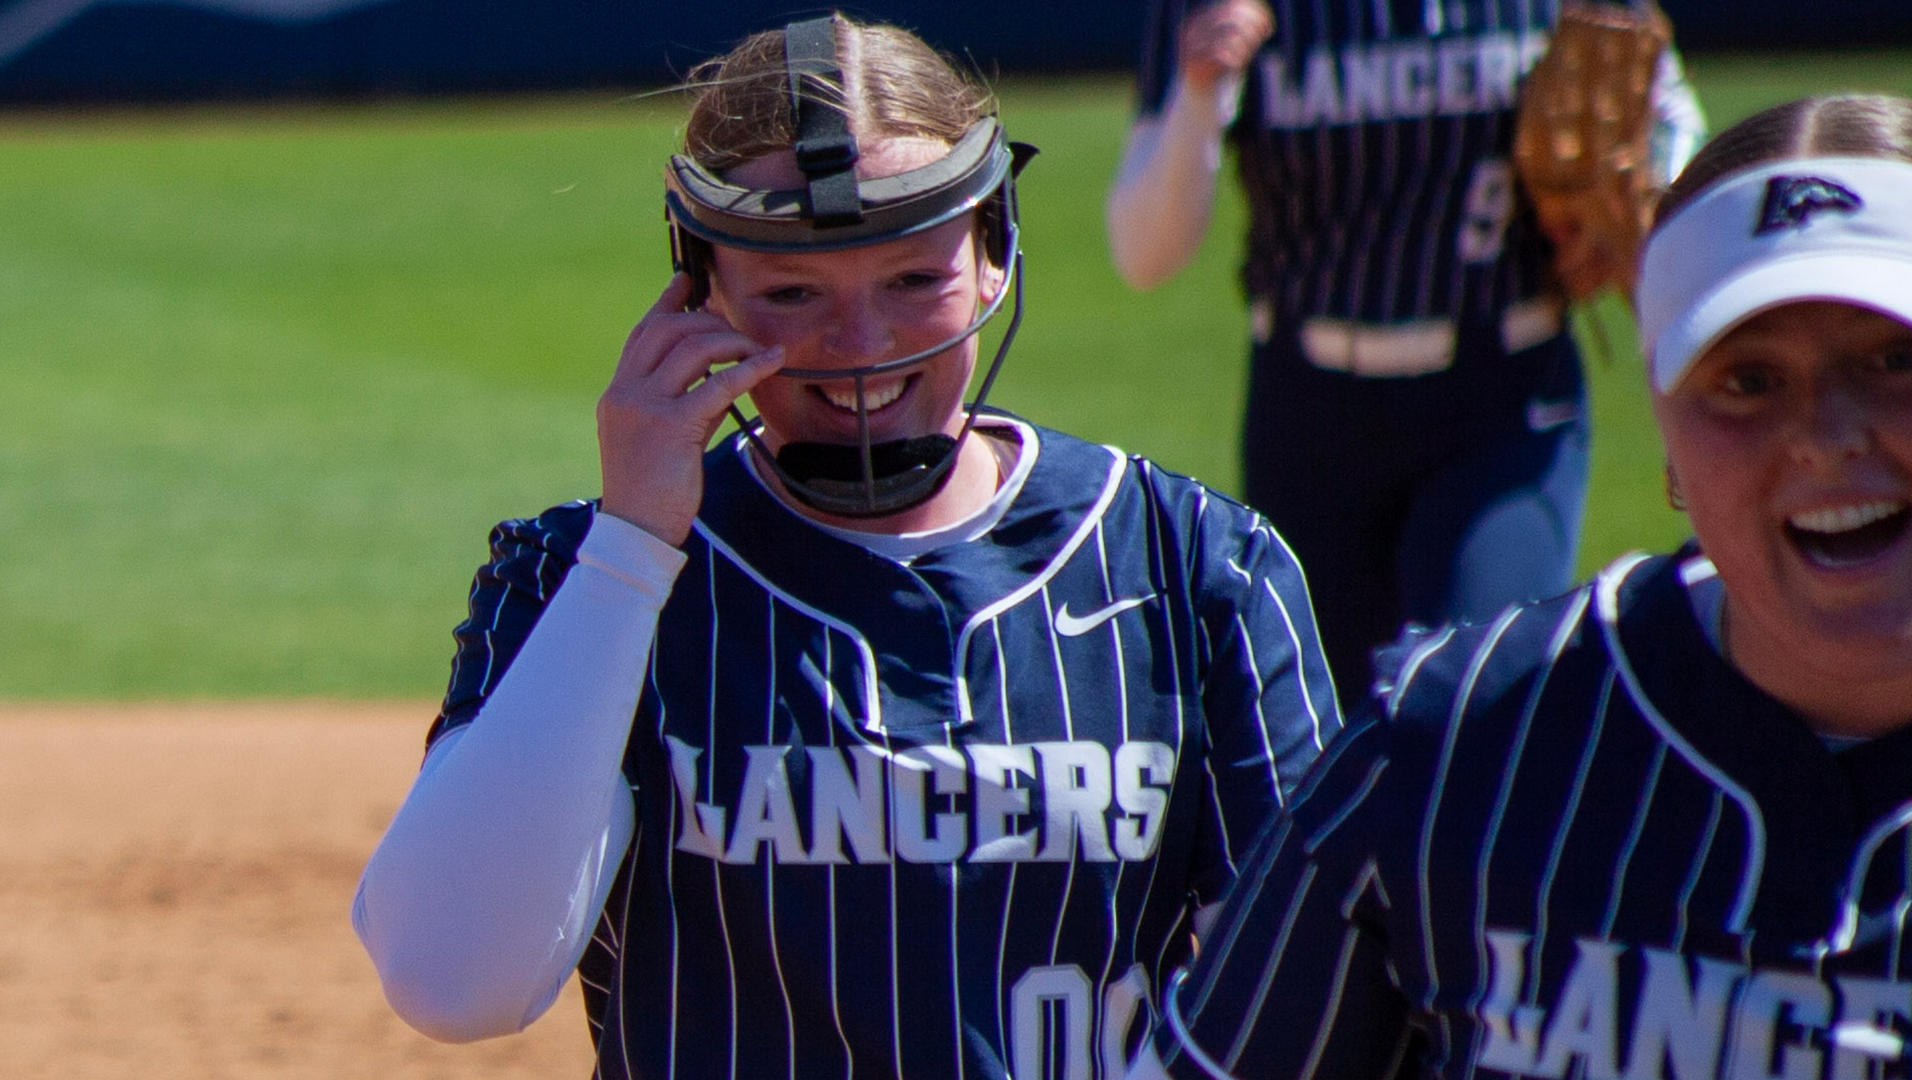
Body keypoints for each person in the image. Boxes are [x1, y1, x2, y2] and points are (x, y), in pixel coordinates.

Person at [352, 14, 1341, 1080]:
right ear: (700, 288)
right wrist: (632, 549)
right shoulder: (576, 577)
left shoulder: (1194, 564)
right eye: (791, 293)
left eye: (914, 280)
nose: (862, 346)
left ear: (992, 251)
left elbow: (1317, 997)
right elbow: (453, 980)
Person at [1127, 92, 1912, 1080]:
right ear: (1668, 443)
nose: (1831, 433)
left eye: (1898, 359)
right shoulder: (1454, 746)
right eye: (1749, 380)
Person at [1107, 0, 1706, 708]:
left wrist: (1645, 197)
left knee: (1477, 699)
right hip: (1311, 414)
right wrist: (1200, 95)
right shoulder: (1221, 11)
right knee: (1321, 719)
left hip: (1503, 398)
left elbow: (1672, 124)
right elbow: (1144, 254)